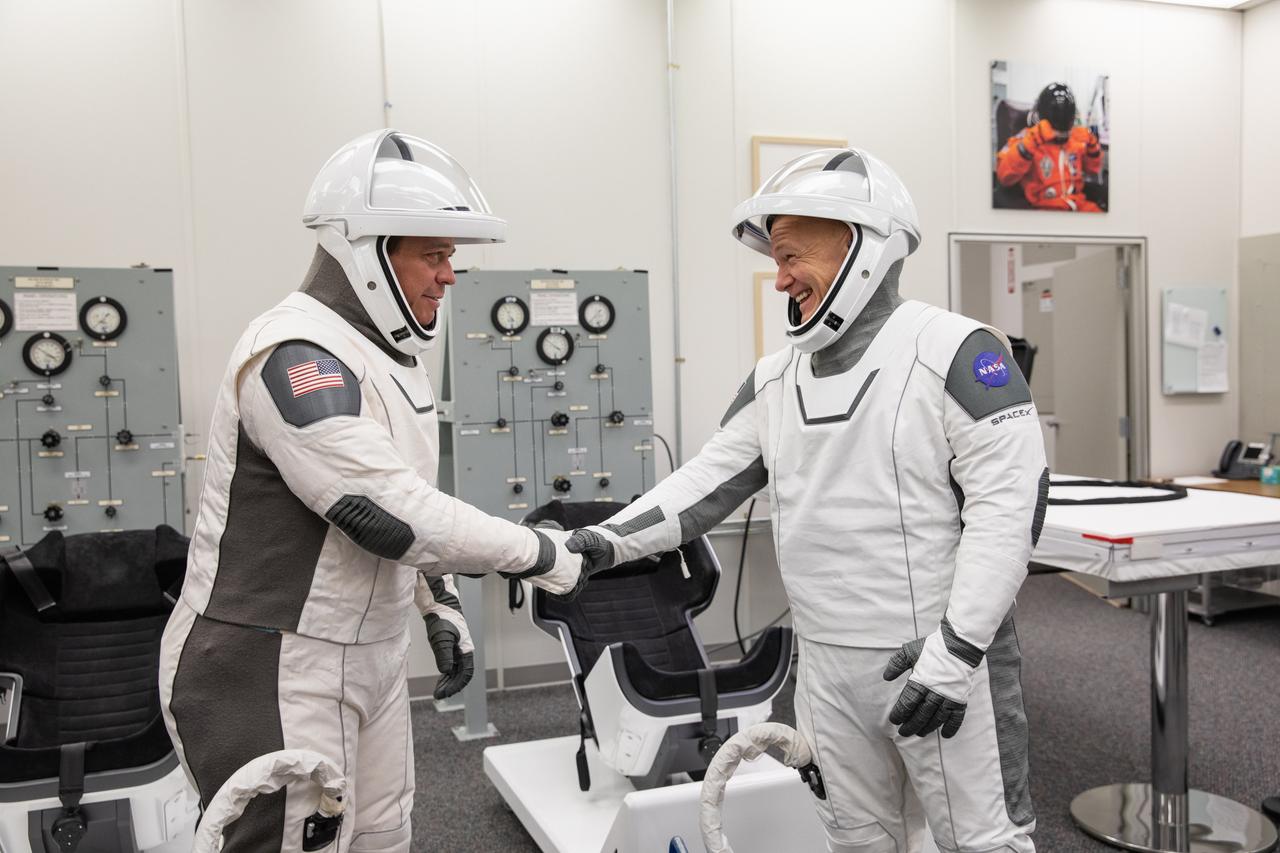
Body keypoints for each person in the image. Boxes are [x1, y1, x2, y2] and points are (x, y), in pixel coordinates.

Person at [567, 149, 1047, 852]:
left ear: (862, 244)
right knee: (858, 837)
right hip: (828, 667)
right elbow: (699, 487)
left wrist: (955, 651)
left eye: (792, 255)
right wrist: (600, 542)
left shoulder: (954, 351)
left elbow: (1012, 506)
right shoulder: (774, 380)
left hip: (942, 661)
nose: (780, 277)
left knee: (983, 841)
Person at [158, 129, 583, 853]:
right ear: (368, 251)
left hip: (370, 653)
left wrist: (437, 601)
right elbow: (384, 513)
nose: (450, 276)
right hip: (273, 659)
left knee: (382, 834)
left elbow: (405, 494)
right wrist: (545, 553)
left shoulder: (392, 357)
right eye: (434, 253)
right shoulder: (295, 351)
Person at [996, 82, 1103, 212]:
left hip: (1077, 203)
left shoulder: (1075, 140)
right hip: (1045, 207)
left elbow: (1092, 170)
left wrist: (1092, 146)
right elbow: (1004, 177)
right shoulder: (1026, 138)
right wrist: (1030, 143)